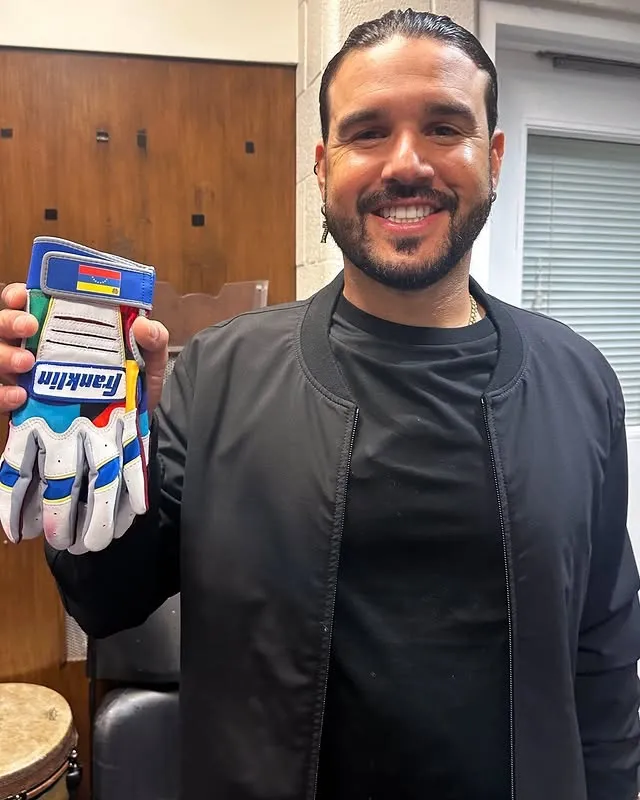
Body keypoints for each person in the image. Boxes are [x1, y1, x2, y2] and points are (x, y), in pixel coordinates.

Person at [0, 9, 639, 799]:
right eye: (367, 132)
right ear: (322, 166)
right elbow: (106, 599)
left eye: (445, 128)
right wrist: (96, 445)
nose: (407, 163)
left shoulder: (580, 383)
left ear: (494, 157)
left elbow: (604, 658)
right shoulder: (218, 377)